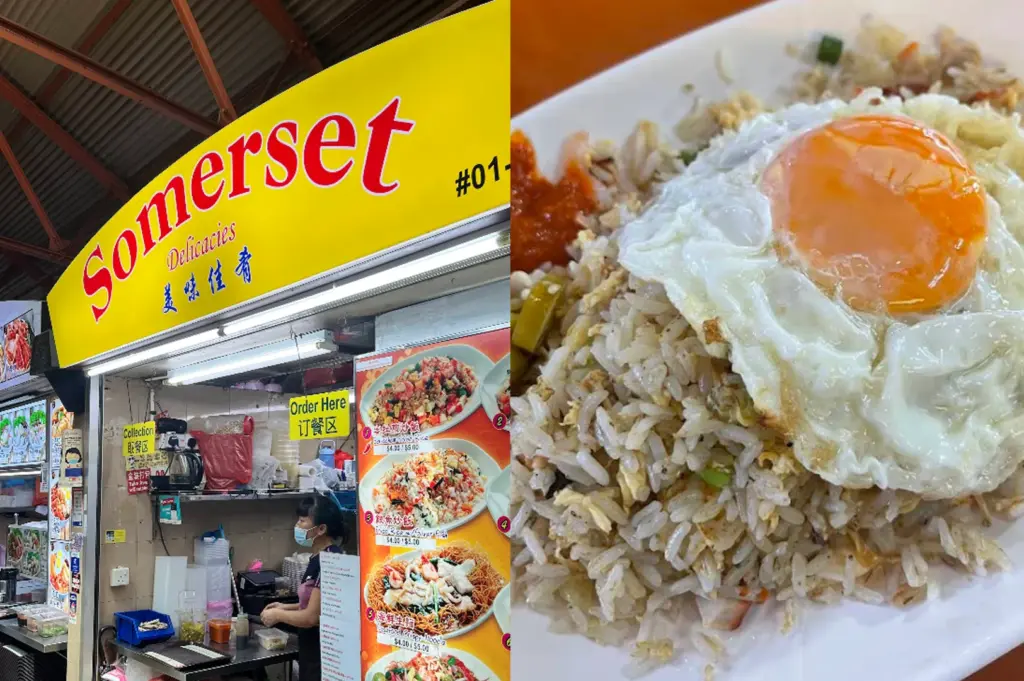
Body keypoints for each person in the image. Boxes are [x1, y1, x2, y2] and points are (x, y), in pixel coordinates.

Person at [261, 495, 345, 681]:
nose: (297, 526)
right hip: (310, 650)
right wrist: (283, 607)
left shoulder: (330, 560)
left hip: (324, 654)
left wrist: (277, 616)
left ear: (321, 529)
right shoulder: (317, 557)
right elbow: (313, 604)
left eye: (302, 520)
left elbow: (311, 617)